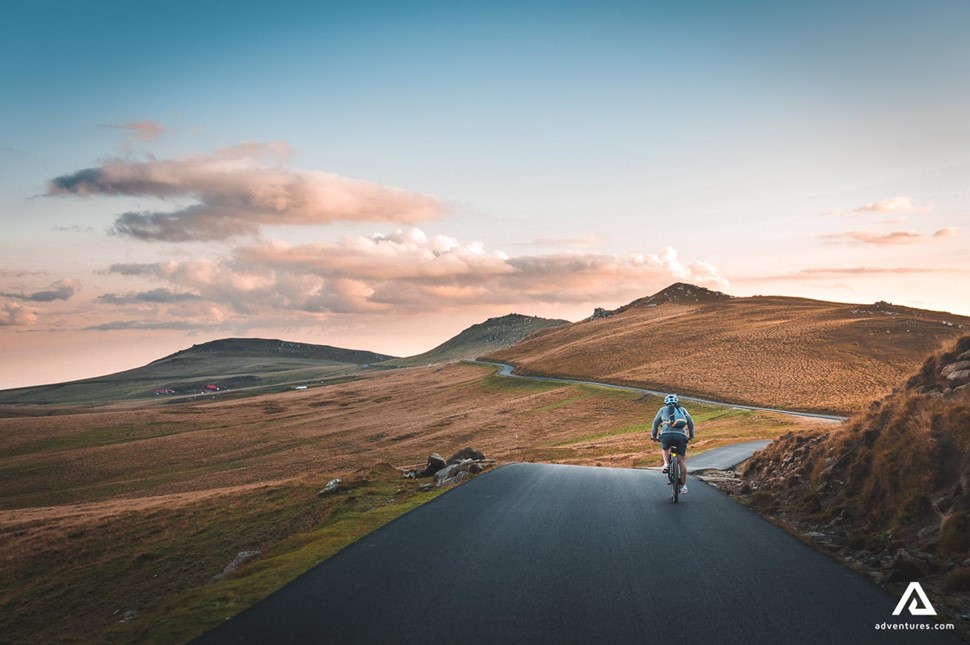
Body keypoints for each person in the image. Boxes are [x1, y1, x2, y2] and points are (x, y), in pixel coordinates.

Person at [651, 394, 694, 495]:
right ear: (676, 402)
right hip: (681, 436)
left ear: (665, 402)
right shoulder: (682, 410)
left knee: (665, 448)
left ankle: (666, 464)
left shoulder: (662, 410)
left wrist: (654, 436)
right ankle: (683, 486)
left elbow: (655, 424)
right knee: (681, 461)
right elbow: (690, 423)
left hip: (666, 435)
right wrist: (691, 436)